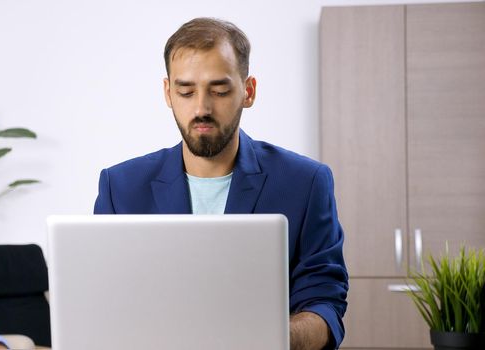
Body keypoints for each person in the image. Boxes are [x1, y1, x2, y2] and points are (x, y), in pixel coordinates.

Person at [94, 17, 348, 350]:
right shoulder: (120, 186)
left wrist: (272, 338)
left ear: (248, 91)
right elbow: (103, 302)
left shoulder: (307, 182)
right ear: (168, 93)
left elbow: (324, 304)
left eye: (219, 90)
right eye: (186, 91)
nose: (201, 108)